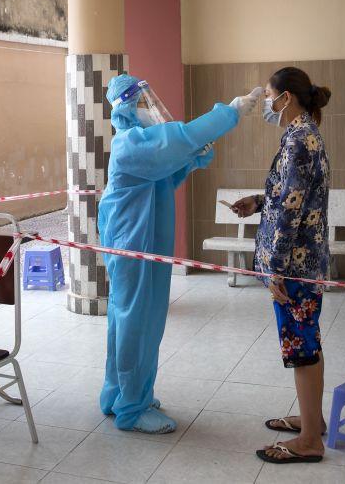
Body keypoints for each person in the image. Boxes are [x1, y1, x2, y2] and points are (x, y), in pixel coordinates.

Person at [99, 75, 259, 433]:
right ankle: (132, 409)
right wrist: (229, 113)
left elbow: (163, 178)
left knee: (127, 323)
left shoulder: (137, 144)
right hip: (134, 250)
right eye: (142, 102)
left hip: (139, 248)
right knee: (137, 326)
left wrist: (190, 162)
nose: (149, 107)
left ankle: (119, 395)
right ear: (126, 107)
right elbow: (181, 138)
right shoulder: (130, 145)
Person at [231, 67, 332, 464]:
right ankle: (313, 422)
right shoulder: (300, 135)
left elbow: (291, 213)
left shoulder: (299, 141)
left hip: (295, 267)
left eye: (270, 97)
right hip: (303, 260)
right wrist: (257, 201)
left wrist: (276, 271)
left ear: (286, 97)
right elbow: (291, 196)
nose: (267, 105)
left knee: (301, 347)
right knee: (308, 341)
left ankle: (309, 441)